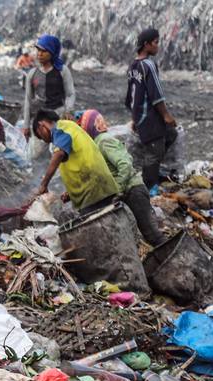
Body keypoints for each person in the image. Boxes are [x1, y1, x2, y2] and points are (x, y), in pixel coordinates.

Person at [79, 109, 163, 244]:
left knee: (152, 235)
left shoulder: (103, 141)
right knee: (147, 235)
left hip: (133, 190)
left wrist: (117, 188)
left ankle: (177, 261)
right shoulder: (98, 143)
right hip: (130, 190)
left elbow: (125, 164)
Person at [29, 108, 119, 213]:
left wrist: (43, 185)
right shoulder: (68, 129)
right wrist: (71, 193)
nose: (43, 140)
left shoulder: (59, 128)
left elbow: (59, 154)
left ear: (41, 125)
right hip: (99, 185)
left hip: (92, 189)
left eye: (40, 136)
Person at [126, 27, 178, 188]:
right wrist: (166, 115)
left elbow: (131, 96)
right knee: (154, 153)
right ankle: (149, 186)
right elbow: (156, 94)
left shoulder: (133, 66)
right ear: (146, 44)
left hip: (140, 115)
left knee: (171, 134)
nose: (158, 46)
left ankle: (153, 174)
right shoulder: (148, 65)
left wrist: (134, 118)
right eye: (156, 42)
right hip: (150, 117)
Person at [21, 35, 75, 132]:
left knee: (59, 146)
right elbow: (28, 100)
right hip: (40, 120)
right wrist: (26, 125)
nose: (40, 54)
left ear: (52, 52)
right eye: (38, 50)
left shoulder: (62, 71)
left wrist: (69, 110)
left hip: (59, 117)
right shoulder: (32, 74)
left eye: (44, 51)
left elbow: (70, 93)